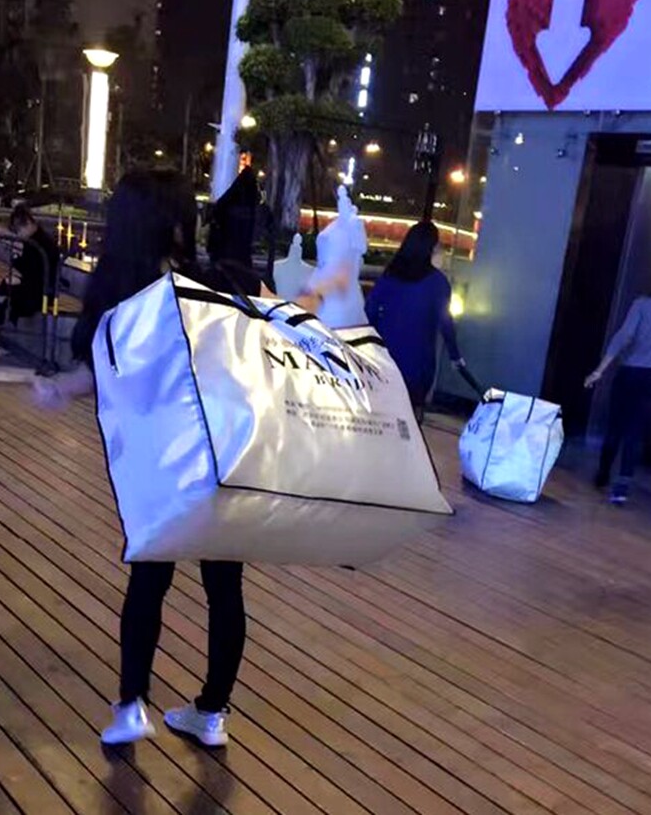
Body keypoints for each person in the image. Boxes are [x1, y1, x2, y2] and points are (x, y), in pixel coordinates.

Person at [34, 169, 346, 748]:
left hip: (161, 465)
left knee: (148, 580)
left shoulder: (119, 295)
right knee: (225, 589)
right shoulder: (218, 280)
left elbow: (96, 375)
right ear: (175, 221)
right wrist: (322, 288)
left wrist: (55, 390)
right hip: (229, 458)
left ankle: (132, 706)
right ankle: (212, 713)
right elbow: (287, 323)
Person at [365, 221, 464, 412]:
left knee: (383, 411)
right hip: (418, 361)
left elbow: (370, 310)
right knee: (410, 412)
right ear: (431, 248)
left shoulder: (390, 275)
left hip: (384, 356)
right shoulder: (438, 282)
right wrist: (455, 356)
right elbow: (445, 322)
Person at [585, 281, 651, 505]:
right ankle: (621, 488)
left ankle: (603, 474)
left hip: (630, 371)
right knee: (636, 432)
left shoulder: (642, 304)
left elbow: (625, 336)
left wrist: (599, 370)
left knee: (615, 425)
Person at [0, 205, 60, 354]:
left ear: (28, 224)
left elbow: (34, 272)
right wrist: (16, 260)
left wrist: (17, 271)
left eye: (19, 230)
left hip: (42, 293)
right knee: (4, 289)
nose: (19, 234)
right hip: (37, 286)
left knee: (4, 290)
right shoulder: (36, 240)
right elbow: (30, 268)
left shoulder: (40, 243)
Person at [207, 165, 259, 268]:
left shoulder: (231, 197)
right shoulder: (251, 204)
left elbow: (217, 211)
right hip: (241, 253)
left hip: (225, 249)